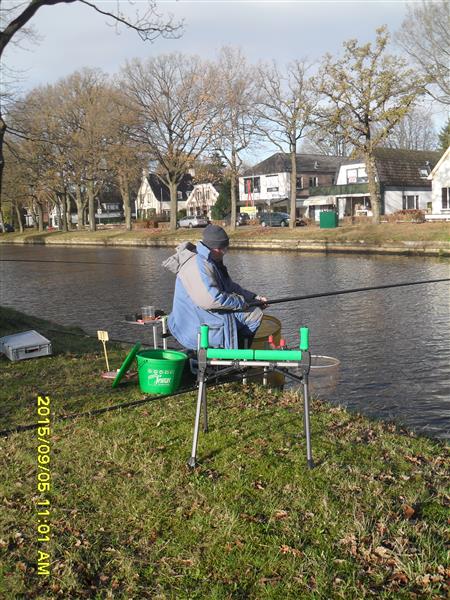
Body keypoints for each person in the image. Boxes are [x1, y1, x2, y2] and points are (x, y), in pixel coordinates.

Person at [163, 224, 267, 350]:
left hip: (206, 315)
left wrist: (254, 298)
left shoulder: (210, 260)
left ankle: (236, 352)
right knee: (254, 315)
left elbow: (229, 286)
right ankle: (235, 355)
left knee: (255, 312)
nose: (225, 252)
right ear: (217, 248)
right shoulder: (196, 265)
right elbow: (211, 300)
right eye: (225, 249)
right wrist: (241, 303)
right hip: (193, 325)